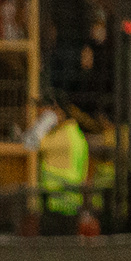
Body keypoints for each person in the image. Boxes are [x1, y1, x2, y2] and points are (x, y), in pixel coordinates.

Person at [35, 95, 89, 236]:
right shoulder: (76, 135)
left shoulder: (63, 136)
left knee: (52, 251)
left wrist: (43, 125)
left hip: (59, 205)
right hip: (68, 204)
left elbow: (32, 143)